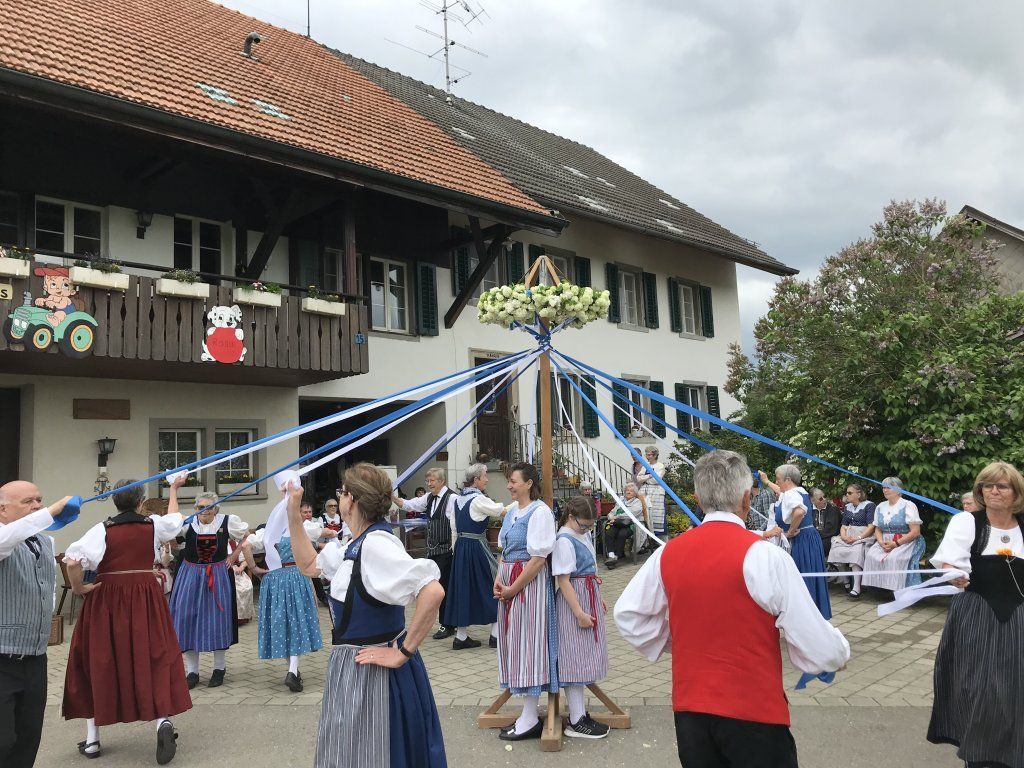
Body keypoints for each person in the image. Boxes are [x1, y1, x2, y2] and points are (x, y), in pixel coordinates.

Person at [615, 451, 850, 768]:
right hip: (754, 713)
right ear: (745, 499)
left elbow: (628, 616)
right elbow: (821, 649)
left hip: (692, 713)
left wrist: (675, 643)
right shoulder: (766, 557)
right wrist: (838, 652)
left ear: (698, 499)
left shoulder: (667, 554)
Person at [285, 463, 447, 768]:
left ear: (353, 500)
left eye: (343, 492)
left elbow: (433, 591)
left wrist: (403, 652)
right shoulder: (353, 545)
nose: (340, 497)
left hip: (376, 675)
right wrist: (293, 511)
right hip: (351, 670)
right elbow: (308, 564)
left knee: (377, 754)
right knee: (350, 753)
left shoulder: (376, 545)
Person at [63, 480, 191, 763]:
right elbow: (175, 520)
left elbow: (72, 562)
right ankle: (162, 722)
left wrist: (78, 588)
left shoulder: (102, 529)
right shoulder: (153, 525)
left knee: (99, 659)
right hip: (146, 596)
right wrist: (174, 489)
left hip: (107, 599)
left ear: (114, 502)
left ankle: (93, 740)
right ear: (140, 502)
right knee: (155, 655)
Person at [928, 461, 1024, 768]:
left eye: (1002, 486)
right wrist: (952, 574)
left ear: (1016, 492)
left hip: (1020, 618)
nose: (994, 491)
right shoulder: (967, 522)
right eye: (987, 485)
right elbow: (949, 562)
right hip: (978, 615)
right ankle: (981, 757)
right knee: (981, 688)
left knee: (1016, 687)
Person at [0, 482, 71, 768]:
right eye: (28, 501)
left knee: (28, 738)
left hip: (35, 659)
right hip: (1, 658)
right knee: (3, 741)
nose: (38, 506)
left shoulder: (45, 541)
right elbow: (8, 539)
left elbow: (45, 589)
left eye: (40, 500)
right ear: (2, 509)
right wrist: (53, 510)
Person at [167, 480, 252, 689]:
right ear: (195, 508)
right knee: (187, 619)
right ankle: (192, 672)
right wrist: (173, 489)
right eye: (199, 507)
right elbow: (170, 526)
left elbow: (247, 534)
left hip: (218, 574)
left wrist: (234, 555)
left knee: (217, 620)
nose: (203, 511)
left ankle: (219, 668)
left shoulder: (227, 521)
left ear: (216, 508)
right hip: (190, 574)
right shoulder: (188, 523)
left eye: (208, 507)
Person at [495, 462, 558, 741]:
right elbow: (504, 551)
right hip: (509, 583)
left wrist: (512, 589)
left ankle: (530, 716)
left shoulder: (540, 512)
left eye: (513, 481)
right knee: (514, 644)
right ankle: (526, 714)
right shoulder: (512, 513)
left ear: (529, 483)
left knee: (528, 645)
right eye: (509, 481)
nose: (509, 485)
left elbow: (537, 560)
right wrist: (499, 579)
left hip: (528, 586)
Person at [255, 471, 323, 692]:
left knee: (285, 624)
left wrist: (255, 567)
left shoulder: (272, 530)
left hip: (279, 580)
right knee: (292, 623)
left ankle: (293, 669)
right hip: (292, 578)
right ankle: (293, 670)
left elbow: (249, 544)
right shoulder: (290, 528)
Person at [553, 496, 610, 740]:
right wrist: (578, 612)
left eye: (589, 526)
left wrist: (598, 598)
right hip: (574, 602)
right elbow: (563, 580)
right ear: (570, 517)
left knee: (584, 657)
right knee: (574, 659)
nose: (586, 529)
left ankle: (580, 714)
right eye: (583, 525)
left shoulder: (579, 534)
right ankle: (576, 720)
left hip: (586, 596)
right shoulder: (564, 540)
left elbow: (590, 570)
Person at [443, 463, 505, 649]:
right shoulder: (478, 500)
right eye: (485, 476)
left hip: (461, 547)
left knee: (463, 588)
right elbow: (501, 511)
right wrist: (522, 503)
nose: (487, 479)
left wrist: (455, 550)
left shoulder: (456, 500)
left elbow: (454, 528)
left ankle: (461, 637)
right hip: (476, 546)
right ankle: (494, 635)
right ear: (476, 479)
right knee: (491, 583)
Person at [760, 466, 831, 619]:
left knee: (801, 579)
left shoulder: (791, 494)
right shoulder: (797, 491)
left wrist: (791, 530)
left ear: (788, 480)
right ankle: (814, 616)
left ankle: (804, 618)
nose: (777, 482)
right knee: (808, 577)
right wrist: (766, 481)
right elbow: (780, 491)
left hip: (801, 540)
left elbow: (799, 511)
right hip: (809, 538)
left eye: (778, 479)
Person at [394, 468, 458, 640]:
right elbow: (409, 504)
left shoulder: (452, 498)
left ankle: (448, 624)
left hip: (447, 551)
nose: (429, 484)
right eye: (428, 481)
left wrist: (454, 548)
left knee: (444, 588)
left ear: (442, 481)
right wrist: (392, 497)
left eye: (432, 481)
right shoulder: (429, 498)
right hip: (433, 551)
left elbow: (455, 527)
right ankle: (441, 622)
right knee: (433, 587)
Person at [861, 477, 926, 591]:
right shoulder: (880, 506)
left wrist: (896, 543)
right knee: (871, 555)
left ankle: (900, 589)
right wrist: (881, 542)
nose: (885, 490)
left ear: (898, 490)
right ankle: (884, 588)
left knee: (895, 558)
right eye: (883, 487)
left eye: (889, 487)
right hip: (885, 541)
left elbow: (915, 532)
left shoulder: (908, 505)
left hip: (907, 541)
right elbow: (878, 528)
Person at [826, 484, 876, 598]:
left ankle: (857, 587)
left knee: (856, 551)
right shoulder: (847, 506)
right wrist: (843, 536)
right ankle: (846, 581)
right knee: (837, 548)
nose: (846, 495)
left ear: (858, 494)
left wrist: (858, 538)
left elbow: (871, 526)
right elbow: (843, 526)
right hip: (849, 535)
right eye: (846, 493)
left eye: (849, 493)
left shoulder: (869, 505)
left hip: (863, 535)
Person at [604, 482, 645, 569]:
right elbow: (613, 511)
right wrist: (611, 517)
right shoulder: (620, 500)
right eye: (627, 490)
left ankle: (617, 556)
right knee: (609, 532)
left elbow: (631, 514)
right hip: (617, 523)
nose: (628, 492)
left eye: (631, 491)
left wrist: (617, 517)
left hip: (629, 525)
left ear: (635, 493)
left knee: (621, 534)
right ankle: (611, 555)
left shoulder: (637, 502)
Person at [636, 447, 667, 538]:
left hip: (656, 492)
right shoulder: (645, 465)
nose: (647, 456)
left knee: (657, 514)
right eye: (646, 454)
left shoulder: (660, 465)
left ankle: (659, 538)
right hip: (645, 492)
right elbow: (638, 478)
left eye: (649, 454)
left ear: (655, 455)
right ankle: (646, 537)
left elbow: (656, 480)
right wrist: (650, 475)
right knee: (645, 513)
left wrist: (645, 478)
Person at [809, 488, 842, 559]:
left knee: (820, 546)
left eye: (824, 496)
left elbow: (832, 529)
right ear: (812, 501)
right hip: (812, 537)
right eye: (821, 498)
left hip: (828, 538)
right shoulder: (808, 510)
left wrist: (815, 536)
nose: (824, 499)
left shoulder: (833, 509)